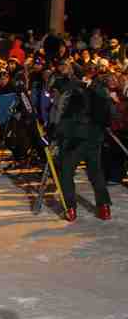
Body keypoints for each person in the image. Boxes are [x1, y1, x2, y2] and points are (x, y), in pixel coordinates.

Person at [53, 69, 114, 221]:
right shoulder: (101, 92)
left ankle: (71, 208)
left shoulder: (75, 92)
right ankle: (104, 207)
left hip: (76, 139)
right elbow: (108, 117)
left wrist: (56, 135)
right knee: (95, 172)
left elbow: (66, 118)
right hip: (95, 138)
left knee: (66, 171)